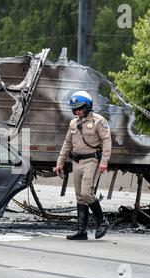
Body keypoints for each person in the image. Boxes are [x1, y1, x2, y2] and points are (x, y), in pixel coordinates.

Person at [55, 91, 112, 240]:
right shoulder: (73, 122)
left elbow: (107, 141)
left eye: (79, 108)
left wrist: (104, 161)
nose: (76, 111)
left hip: (91, 161)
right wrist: (60, 161)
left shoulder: (99, 121)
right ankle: (82, 231)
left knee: (87, 193)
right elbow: (67, 143)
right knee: (80, 196)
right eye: (74, 109)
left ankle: (102, 222)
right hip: (76, 161)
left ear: (87, 107)